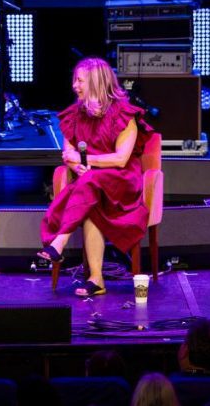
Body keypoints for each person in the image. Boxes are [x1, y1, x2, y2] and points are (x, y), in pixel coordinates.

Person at [39, 57, 152, 297]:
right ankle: (96, 279)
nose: (74, 86)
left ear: (96, 82)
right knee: (90, 198)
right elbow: (68, 153)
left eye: (80, 81)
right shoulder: (74, 114)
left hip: (121, 181)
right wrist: (76, 164)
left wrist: (85, 162)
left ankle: (59, 241)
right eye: (74, 80)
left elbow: (121, 159)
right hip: (91, 184)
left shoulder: (124, 114)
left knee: (89, 182)